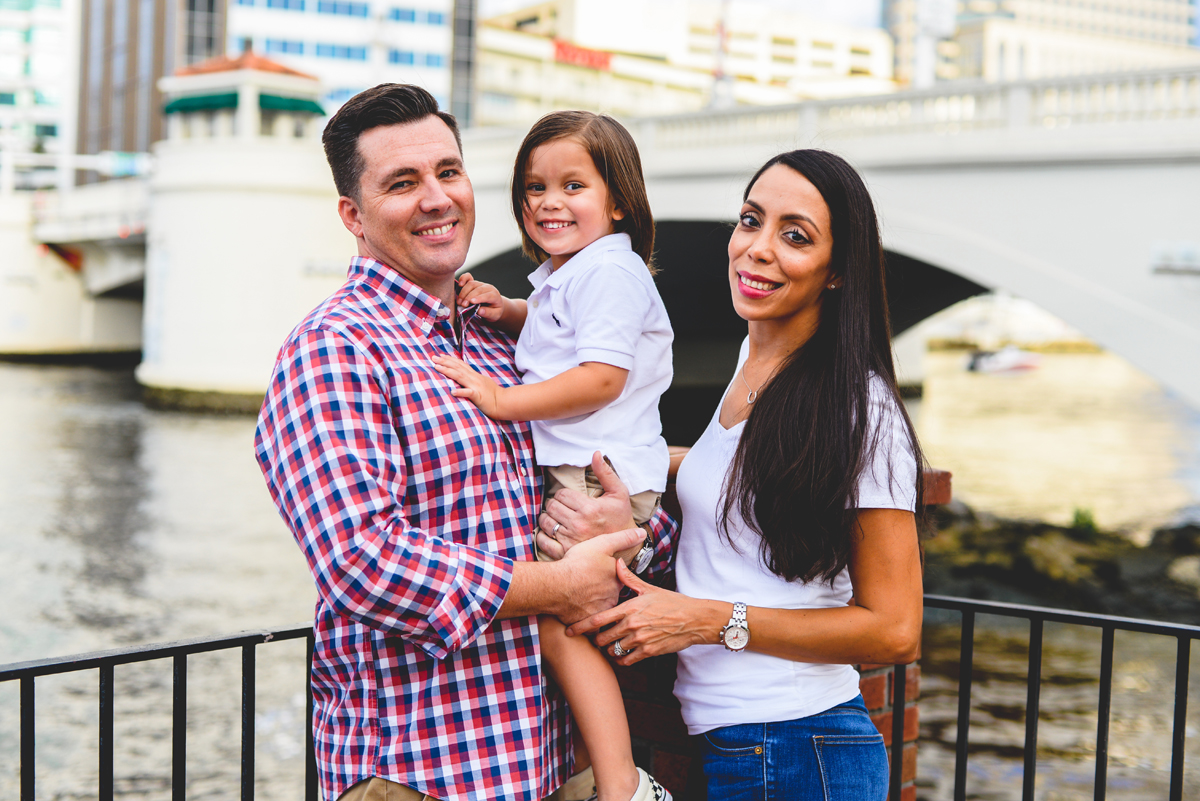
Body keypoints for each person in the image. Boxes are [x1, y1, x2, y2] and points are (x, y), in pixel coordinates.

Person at [253, 84, 676, 801]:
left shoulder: (506, 341)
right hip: (417, 773)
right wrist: (560, 583)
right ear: (353, 215)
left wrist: (627, 533)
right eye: (402, 183)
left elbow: (606, 469)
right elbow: (366, 561)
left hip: (535, 766)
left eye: (448, 172)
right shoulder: (333, 349)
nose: (437, 198)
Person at [549, 149, 926, 801]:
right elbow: (729, 473)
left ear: (836, 271)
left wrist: (708, 618)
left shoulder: (864, 410)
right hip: (747, 745)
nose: (757, 248)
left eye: (795, 235)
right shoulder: (754, 363)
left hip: (798, 747)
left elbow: (895, 628)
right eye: (751, 220)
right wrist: (630, 469)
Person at [432, 111, 673, 801]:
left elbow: (601, 375)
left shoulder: (610, 274)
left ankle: (620, 786)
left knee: (559, 623)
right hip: (591, 474)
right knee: (564, 625)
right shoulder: (574, 275)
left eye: (573, 185)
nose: (548, 201)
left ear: (618, 200)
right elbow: (558, 334)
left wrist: (502, 400)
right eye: (534, 187)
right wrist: (509, 311)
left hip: (599, 480)